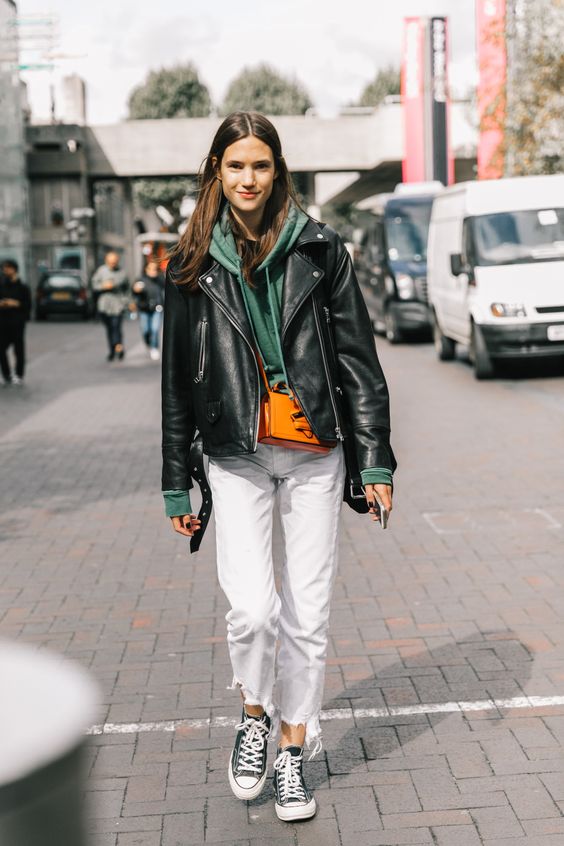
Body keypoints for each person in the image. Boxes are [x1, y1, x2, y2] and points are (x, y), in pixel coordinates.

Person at [161, 112, 395, 822]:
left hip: (315, 451)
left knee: (308, 614)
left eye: (260, 165)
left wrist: (375, 462)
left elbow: (358, 362)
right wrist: (175, 481)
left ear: (277, 170)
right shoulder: (190, 263)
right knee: (253, 611)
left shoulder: (320, 249)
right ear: (217, 171)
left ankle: (293, 752)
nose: (248, 179)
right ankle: (255, 714)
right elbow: (175, 381)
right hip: (235, 453)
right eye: (236, 166)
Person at [91, 251, 129, 361]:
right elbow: (94, 285)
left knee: (116, 326)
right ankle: (112, 350)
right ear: (106, 261)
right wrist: (103, 286)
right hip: (104, 305)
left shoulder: (122, 272)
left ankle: (118, 347)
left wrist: (128, 302)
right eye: (110, 262)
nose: (112, 264)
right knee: (109, 328)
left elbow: (127, 289)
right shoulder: (101, 271)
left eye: (114, 262)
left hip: (118, 304)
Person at [0, 259, 32, 386]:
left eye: (8, 268)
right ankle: (6, 375)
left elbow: (28, 306)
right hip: (3, 322)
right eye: (4, 268)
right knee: (1, 349)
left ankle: (19, 375)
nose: (5, 270)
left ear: (14, 269)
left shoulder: (23, 287)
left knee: (18, 349)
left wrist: (15, 303)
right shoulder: (1, 286)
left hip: (18, 323)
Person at [132, 259, 165, 361]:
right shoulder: (140, 280)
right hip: (144, 308)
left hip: (157, 307)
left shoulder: (160, 280)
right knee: (145, 329)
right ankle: (148, 342)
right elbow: (134, 292)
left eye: (154, 269)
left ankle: (154, 347)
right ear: (145, 269)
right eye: (150, 268)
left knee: (155, 329)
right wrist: (136, 290)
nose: (152, 271)